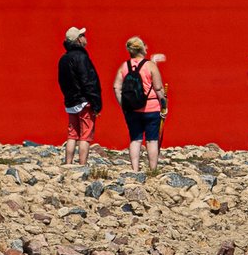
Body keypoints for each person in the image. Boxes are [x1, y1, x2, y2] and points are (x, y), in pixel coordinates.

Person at [111, 37, 166, 172]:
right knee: (152, 140)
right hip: (151, 108)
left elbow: (116, 87)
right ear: (141, 49)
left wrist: (123, 105)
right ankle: (153, 169)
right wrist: (164, 104)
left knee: (135, 140)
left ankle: (135, 169)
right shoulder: (150, 65)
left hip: (132, 109)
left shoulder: (124, 66)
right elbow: (158, 88)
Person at [56, 27, 102, 166]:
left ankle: (68, 163)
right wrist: (96, 103)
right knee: (85, 135)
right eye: (82, 35)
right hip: (84, 101)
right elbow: (88, 81)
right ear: (78, 39)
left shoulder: (63, 58)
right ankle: (82, 165)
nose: (85, 37)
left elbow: (61, 81)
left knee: (72, 134)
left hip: (70, 102)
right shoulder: (82, 57)